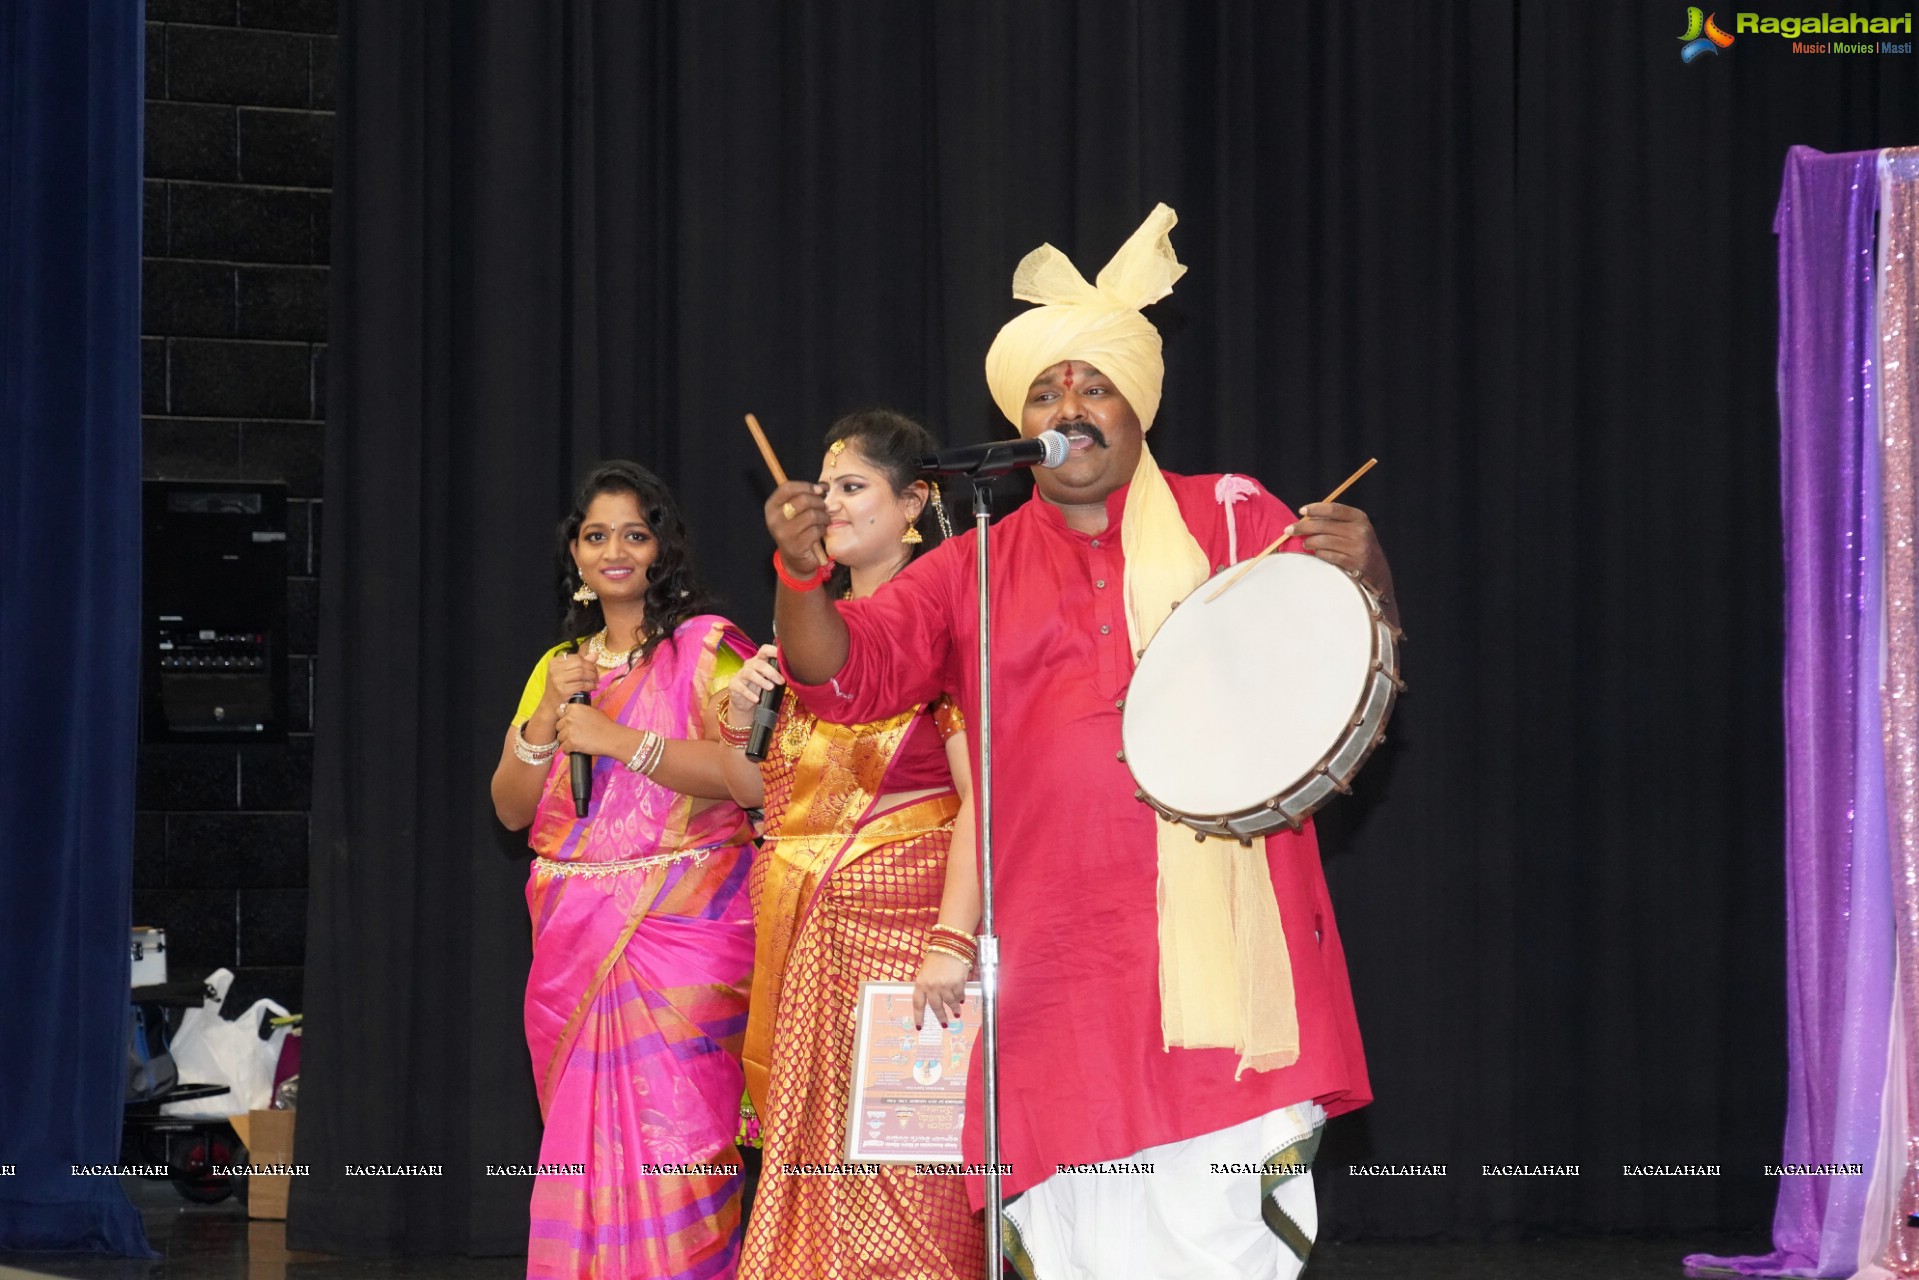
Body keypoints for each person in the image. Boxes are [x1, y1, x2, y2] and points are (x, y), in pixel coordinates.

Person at [758, 206, 1397, 1279]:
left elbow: (1332, 678)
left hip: (1220, 972)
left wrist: (1367, 571)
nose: (1068, 406)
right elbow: (841, 671)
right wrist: (798, 573)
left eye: (1091, 385)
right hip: (1058, 968)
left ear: (1137, 406)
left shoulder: (1235, 519)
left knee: (1214, 1233)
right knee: (1081, 1245)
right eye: (1046, 390)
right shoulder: (970, 568)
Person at [715, 411, 985, 1280]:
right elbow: (776, 799)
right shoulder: (810, 639)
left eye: (853, 486)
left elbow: (982, 794)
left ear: (914, 505)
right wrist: (743, 713)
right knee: (811, 1180)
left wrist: (950, 941)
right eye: (823, 487)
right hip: (809, 947)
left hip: (910, 952)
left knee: (909, 1180)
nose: (829, 503)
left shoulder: (943, 631)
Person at [490, 461, 758, 1280]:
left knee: (680, 1138)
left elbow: (749, 779)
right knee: (587, 1148)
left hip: (684, 935)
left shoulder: (706, 647)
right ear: (574, 553)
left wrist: (620, 743)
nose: (614, 551)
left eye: (633, 535)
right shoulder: (558, 668)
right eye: (596, 535)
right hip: (576, 941)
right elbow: (508, 809)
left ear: (661, 550)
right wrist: (547, 719)